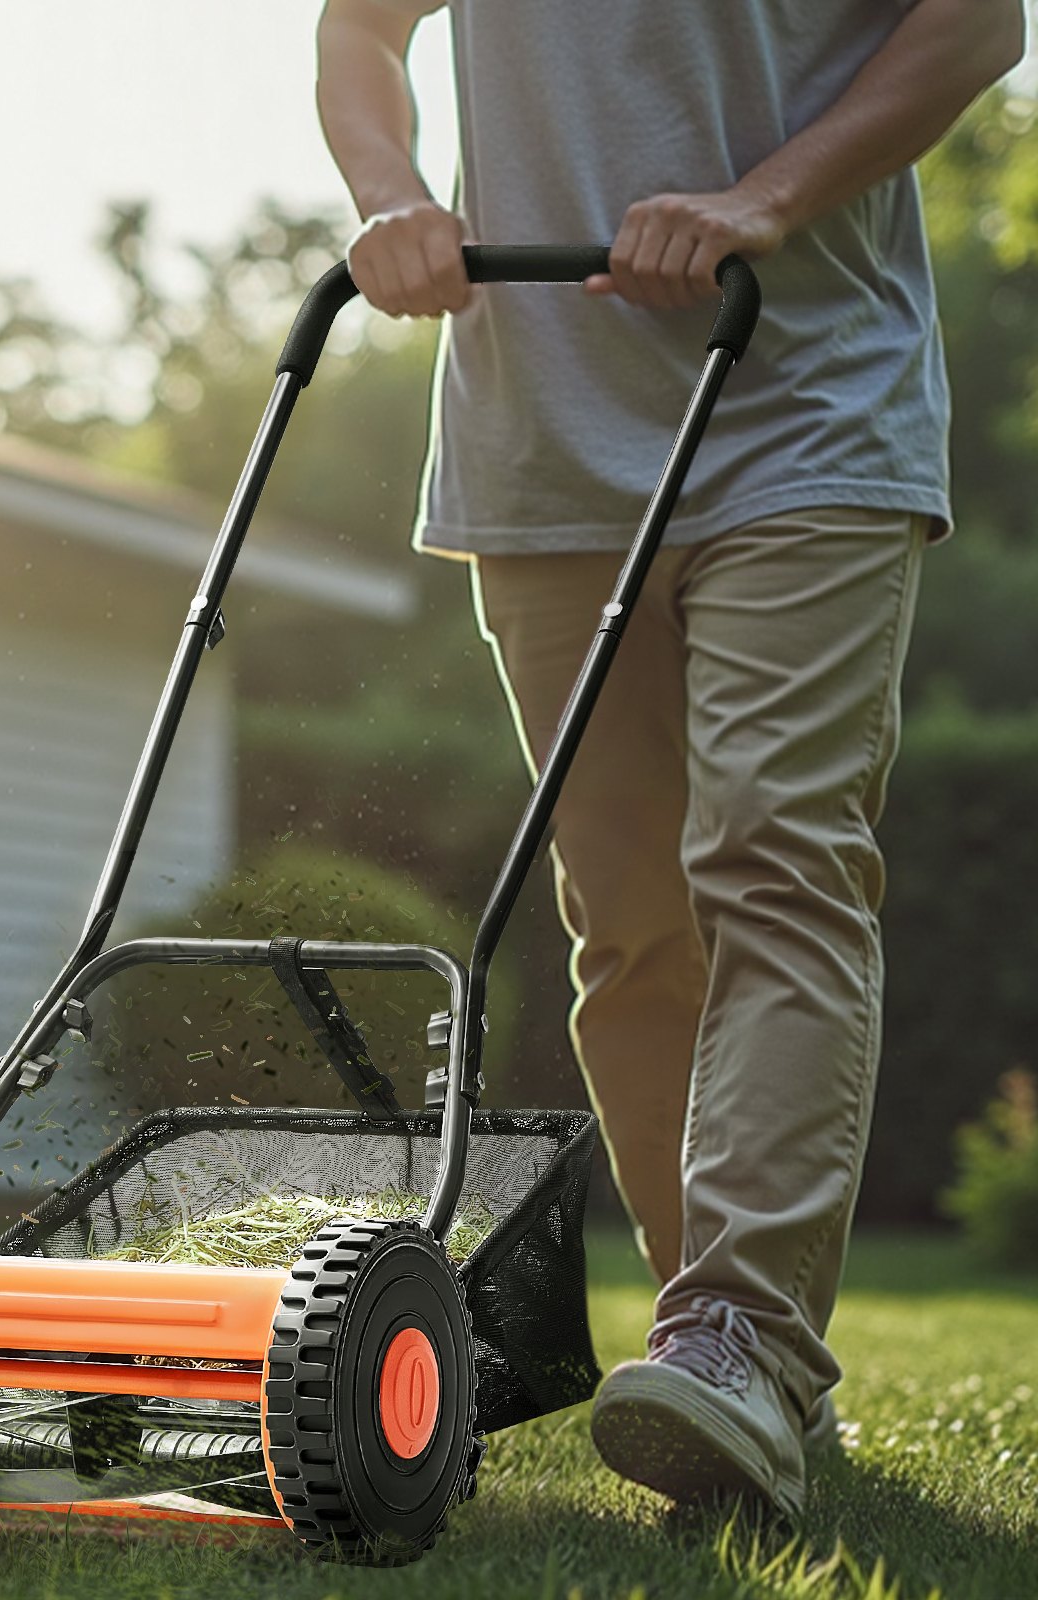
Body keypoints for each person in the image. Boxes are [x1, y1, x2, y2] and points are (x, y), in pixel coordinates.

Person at [315, 0, 1025, 1520]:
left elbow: (979, 22)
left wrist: (764, 198)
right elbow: (361, 27)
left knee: (776, 855)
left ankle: (742, 1342)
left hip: (801, 397)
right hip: (543, 437)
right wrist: (391, 195)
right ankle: (720, 1361)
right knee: (633, 924)